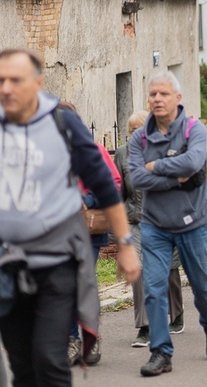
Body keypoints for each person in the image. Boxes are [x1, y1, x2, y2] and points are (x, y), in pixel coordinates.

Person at [0, 48, 139, 386]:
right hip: (7, 264)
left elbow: (105, 186)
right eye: (0, 80)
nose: (6, 88)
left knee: (50, 359)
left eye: (15, 80)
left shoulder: (62, 123)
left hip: (57, 261)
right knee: (22, 367)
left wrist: (125, 243)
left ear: (38, 83)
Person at [129, 71, 207, 377]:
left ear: (177, 98)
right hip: (154, 225)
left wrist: (156, 166)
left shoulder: (194, 130)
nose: (157, 99)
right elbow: (136, 178)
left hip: (192, 223)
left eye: (163, 94)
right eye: (152, 94)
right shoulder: (139, 137)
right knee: (154, 290)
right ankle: (161, 352)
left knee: (203, 285)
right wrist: (177, 176)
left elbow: (194, 164)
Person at [115, 110, 185, 349]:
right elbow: (119, 191)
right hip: (136, 220)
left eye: (140, 129)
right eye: (132, 130)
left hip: (165, 220)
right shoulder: (123, 154)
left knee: (170, 271)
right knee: (140, 272)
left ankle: (176, 314)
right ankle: (145, 327)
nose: (136, 134)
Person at [62, 99, 122, 367]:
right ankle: (71, 340)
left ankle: (89, 337)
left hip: (88, 229)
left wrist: (86, 198)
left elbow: (115, 184)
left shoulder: (94, 150)